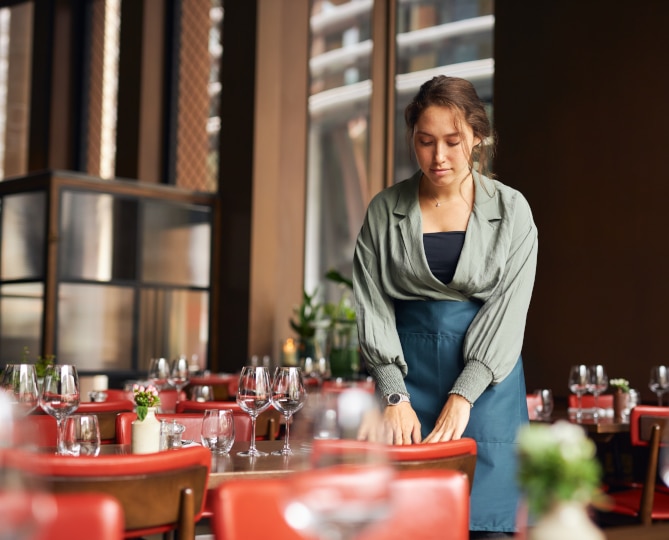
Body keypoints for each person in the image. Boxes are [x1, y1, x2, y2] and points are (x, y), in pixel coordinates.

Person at [352, 75, 538, 538]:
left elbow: (507, 311)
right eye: (426, 141)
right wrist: (394, 395)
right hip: (406, 385)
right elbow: (372, 304)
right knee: (408, 524)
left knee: (490, 526)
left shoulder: (513, 211)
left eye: (453, 142)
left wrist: (464, 395)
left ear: (478, 136)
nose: (439, 157)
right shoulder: (384, 210)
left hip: (488, 388)